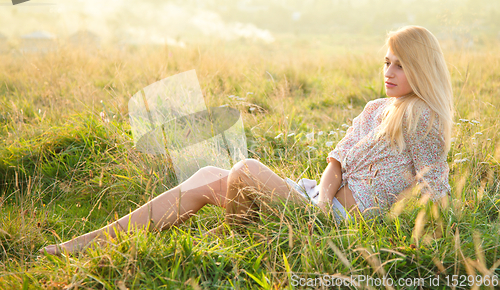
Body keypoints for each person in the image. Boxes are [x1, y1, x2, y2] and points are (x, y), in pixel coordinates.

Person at [41, 25, 453, 255]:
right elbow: (336, 164)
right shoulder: (373, 109)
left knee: (244, 169)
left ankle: (246, 241)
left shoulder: (424, 118)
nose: (390, 71)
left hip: (341, 228)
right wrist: (322, 202)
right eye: (387, 62)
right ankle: (87, 243)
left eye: (401, 65)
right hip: (314, 207)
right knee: (207, 173)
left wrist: (435, 239)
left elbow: (436, 188)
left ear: (421, 68)